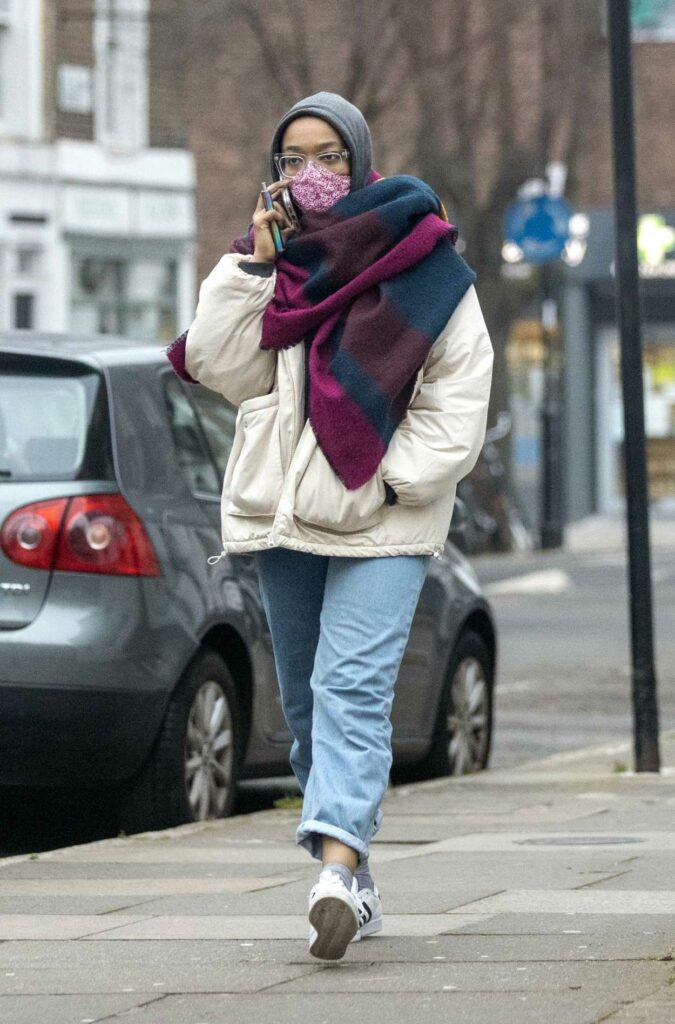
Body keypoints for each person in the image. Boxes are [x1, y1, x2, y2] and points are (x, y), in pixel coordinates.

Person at [166, 91, 493, 961]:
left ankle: (337, 870)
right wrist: (251, 266)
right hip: (286, 518)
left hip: (380, 517)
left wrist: (385, 481)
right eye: (294, 159)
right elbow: (216, 364)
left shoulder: (423, 261)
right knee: (311, 704)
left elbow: (456, 400)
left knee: (352, 689)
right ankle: (355, 873)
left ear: (359, 158)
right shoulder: (276, 266)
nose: (311, 175)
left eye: (329, 157)